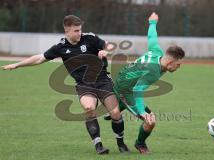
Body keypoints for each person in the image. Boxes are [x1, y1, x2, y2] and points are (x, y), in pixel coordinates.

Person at [1, 15, 129, 154]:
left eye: (80, 29)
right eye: (75, 31)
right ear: (66, 31)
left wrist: (106, 51)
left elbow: (108, 45)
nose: (79, 33)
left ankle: (121, 143)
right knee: (89, 108)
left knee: (115, 113)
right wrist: (17, 65)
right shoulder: (61, 47)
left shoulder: (89, 38)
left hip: (103, 81)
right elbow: (39, 58)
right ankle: (98, 145)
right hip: (84, 84)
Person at [105, 12, 185, 154]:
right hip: (126, 90)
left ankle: (118, 105)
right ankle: (140, 144)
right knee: (150, 120)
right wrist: (142, 111)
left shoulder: (157, 52)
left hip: (125, 82)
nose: (179, 67)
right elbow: (138, 90)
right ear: (171, 62)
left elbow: (152, 38)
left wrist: (152, 23)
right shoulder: (153, 70)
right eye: (178, 64)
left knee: (144, 114)